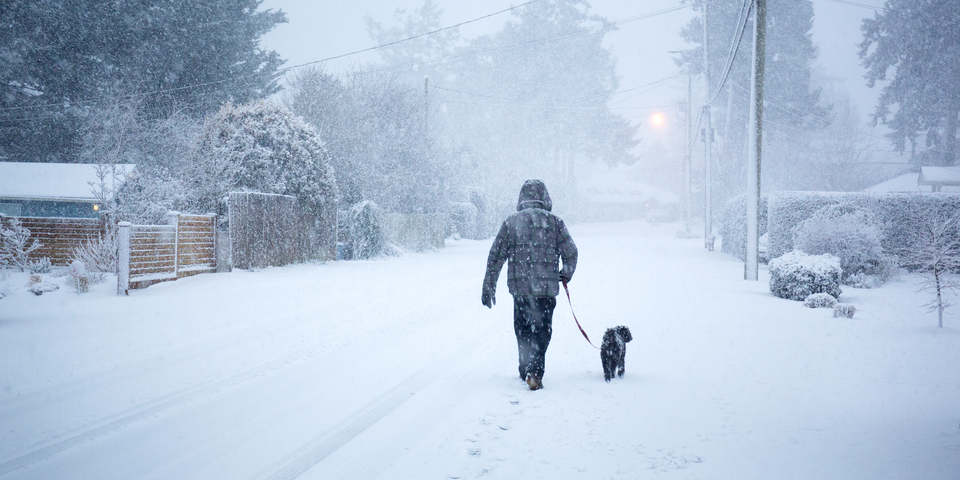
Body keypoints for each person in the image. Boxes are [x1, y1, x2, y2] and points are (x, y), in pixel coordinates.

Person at [482, 179, 578, 390]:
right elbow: (571, 252)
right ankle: (534, 371)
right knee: (542, 331)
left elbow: (495, 256)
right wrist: (565, 274)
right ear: (545, 198)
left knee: (523, 329)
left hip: (521, 290)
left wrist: (489, 284)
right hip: (545, 292)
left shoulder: (511, 223)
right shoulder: (555, 223)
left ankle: (526, 367)